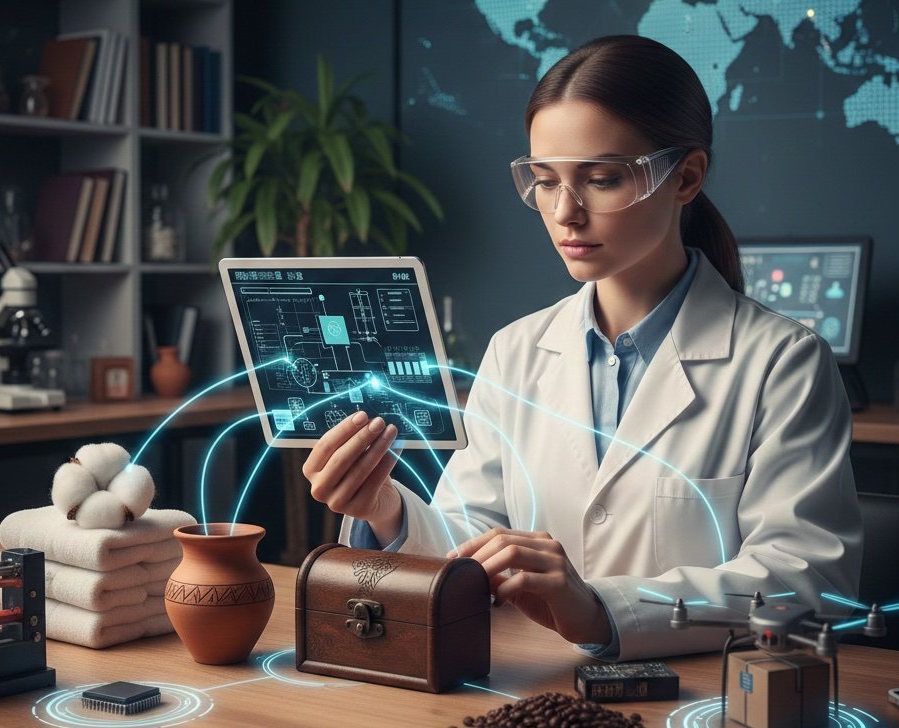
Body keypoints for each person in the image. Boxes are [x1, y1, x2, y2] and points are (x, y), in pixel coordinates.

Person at [302, 35, 862, 661]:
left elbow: (809, 583)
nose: (566, 213)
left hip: (703, 709)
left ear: (687, 177)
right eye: (544, 181)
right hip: (525, 691)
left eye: (601, 179)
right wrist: (385, 510)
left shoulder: (781, 363)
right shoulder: (516, 350)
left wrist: (599, 609)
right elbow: (472, 540)